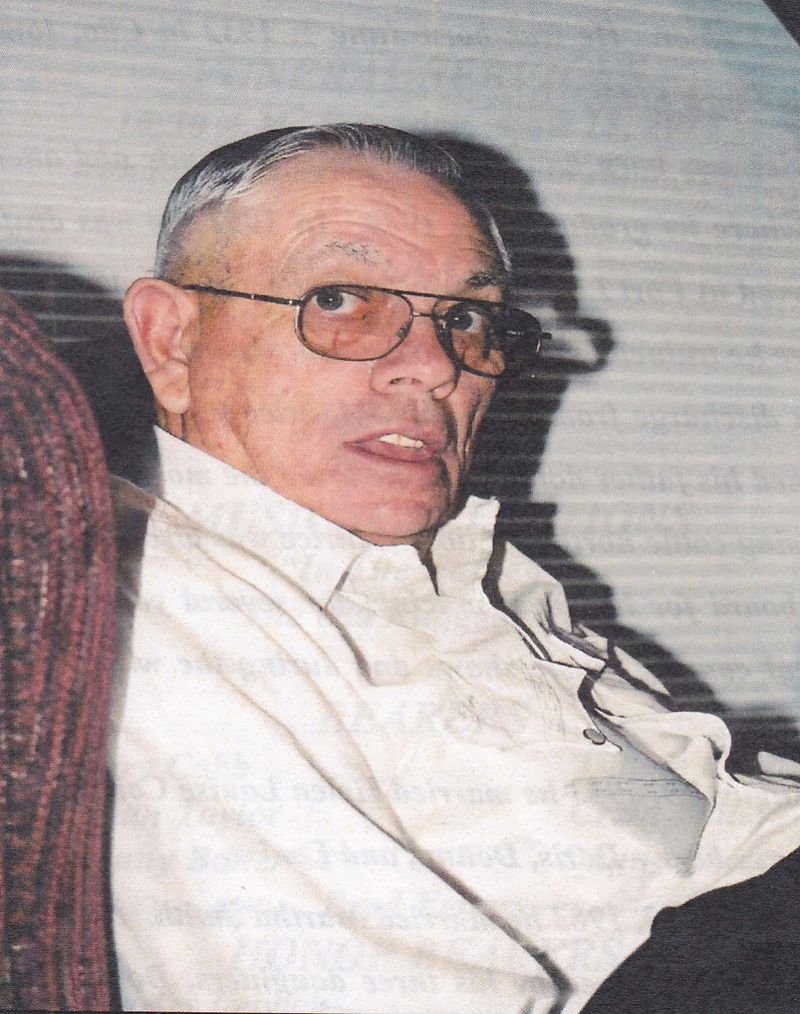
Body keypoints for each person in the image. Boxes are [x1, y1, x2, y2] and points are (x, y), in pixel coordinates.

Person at [109, 124, 800, 1014]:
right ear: (172, 341)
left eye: (467, 318)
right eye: (340, 300)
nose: (435, 367)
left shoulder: (470, 564)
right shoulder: (142, 622)